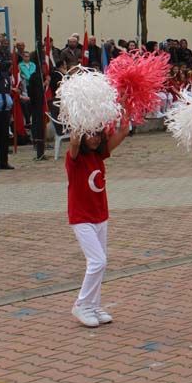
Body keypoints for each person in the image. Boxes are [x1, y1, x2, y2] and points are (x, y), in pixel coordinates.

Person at [66, 119, 131, 327]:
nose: (94, 138)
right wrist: (78, 115)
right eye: (90, 134)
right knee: (97, 261)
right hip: (81, 218)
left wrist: (125, 105)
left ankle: (94, 304)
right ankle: (81, 304)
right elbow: (74, 142)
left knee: (100, 263)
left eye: (97, 134)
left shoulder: (99, 155)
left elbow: (123, 131)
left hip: (100, 216)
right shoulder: (74, 158)